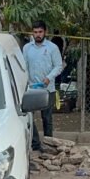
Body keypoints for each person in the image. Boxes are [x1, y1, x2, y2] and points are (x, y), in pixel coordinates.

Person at [22, 21, 62, 151]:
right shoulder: (27, 48)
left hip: (47, 89)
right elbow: (24, 67)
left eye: (40, 32)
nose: (38, 35)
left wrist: (49, 78)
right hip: (31, 89)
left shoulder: (52, 48)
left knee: (47, 119)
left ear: (45, 32)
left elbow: (59, 66)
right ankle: (35, 144)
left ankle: (48, 146)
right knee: (29, 118)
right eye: (35, 32)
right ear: (32, 33)